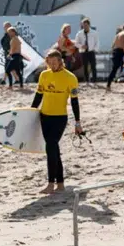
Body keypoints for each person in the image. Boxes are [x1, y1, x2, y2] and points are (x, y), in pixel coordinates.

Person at [33, 49, 84, 195]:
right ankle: (60, 183)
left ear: (60, 61)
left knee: (50, 146)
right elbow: (38, 96)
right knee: (53, 149)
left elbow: (74, 101)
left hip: (60, 118)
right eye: (50, 63)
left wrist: (78, 122)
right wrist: (30, 112)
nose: (53, 66)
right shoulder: (44, 75)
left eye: (55, 63)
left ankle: (50, 183)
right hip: (44, 117)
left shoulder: (70, 77)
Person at [106, 24, 124, 91]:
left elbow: (113, 45)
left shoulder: (118, 34)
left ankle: (108, 85)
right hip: (121, 52)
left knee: (114, 69)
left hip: (115, 52)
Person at [76, 19, 100, 84]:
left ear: (89, 25)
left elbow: (97, 42)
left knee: (93, 66)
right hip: (83, 52)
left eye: (86, 25)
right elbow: (76, 43)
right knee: (85, 67)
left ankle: (94, 81)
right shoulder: (79, 33)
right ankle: (87, 81)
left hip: (91, 52)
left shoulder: (94, 33)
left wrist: (95, 49)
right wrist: (81, 46)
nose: (85, 26)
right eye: (83, 25)